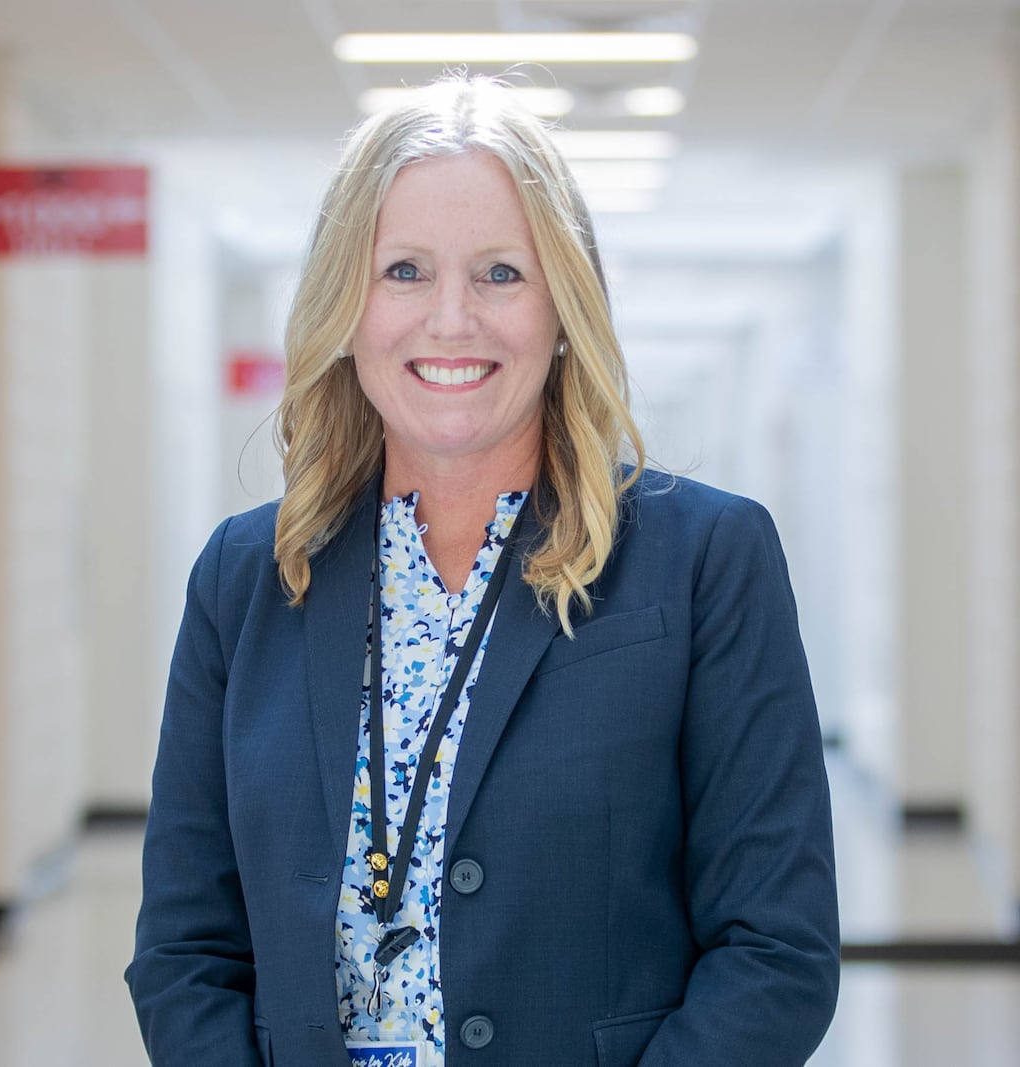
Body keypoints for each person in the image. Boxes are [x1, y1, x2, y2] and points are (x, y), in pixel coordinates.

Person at [126, 75, 839, 1066]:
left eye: (500, 273)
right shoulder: (246, 578)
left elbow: (775, 947)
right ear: (347, 304)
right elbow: (183, 947)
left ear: (562, 306)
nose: (451, 320)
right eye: (405, 270)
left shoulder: (704, 560)